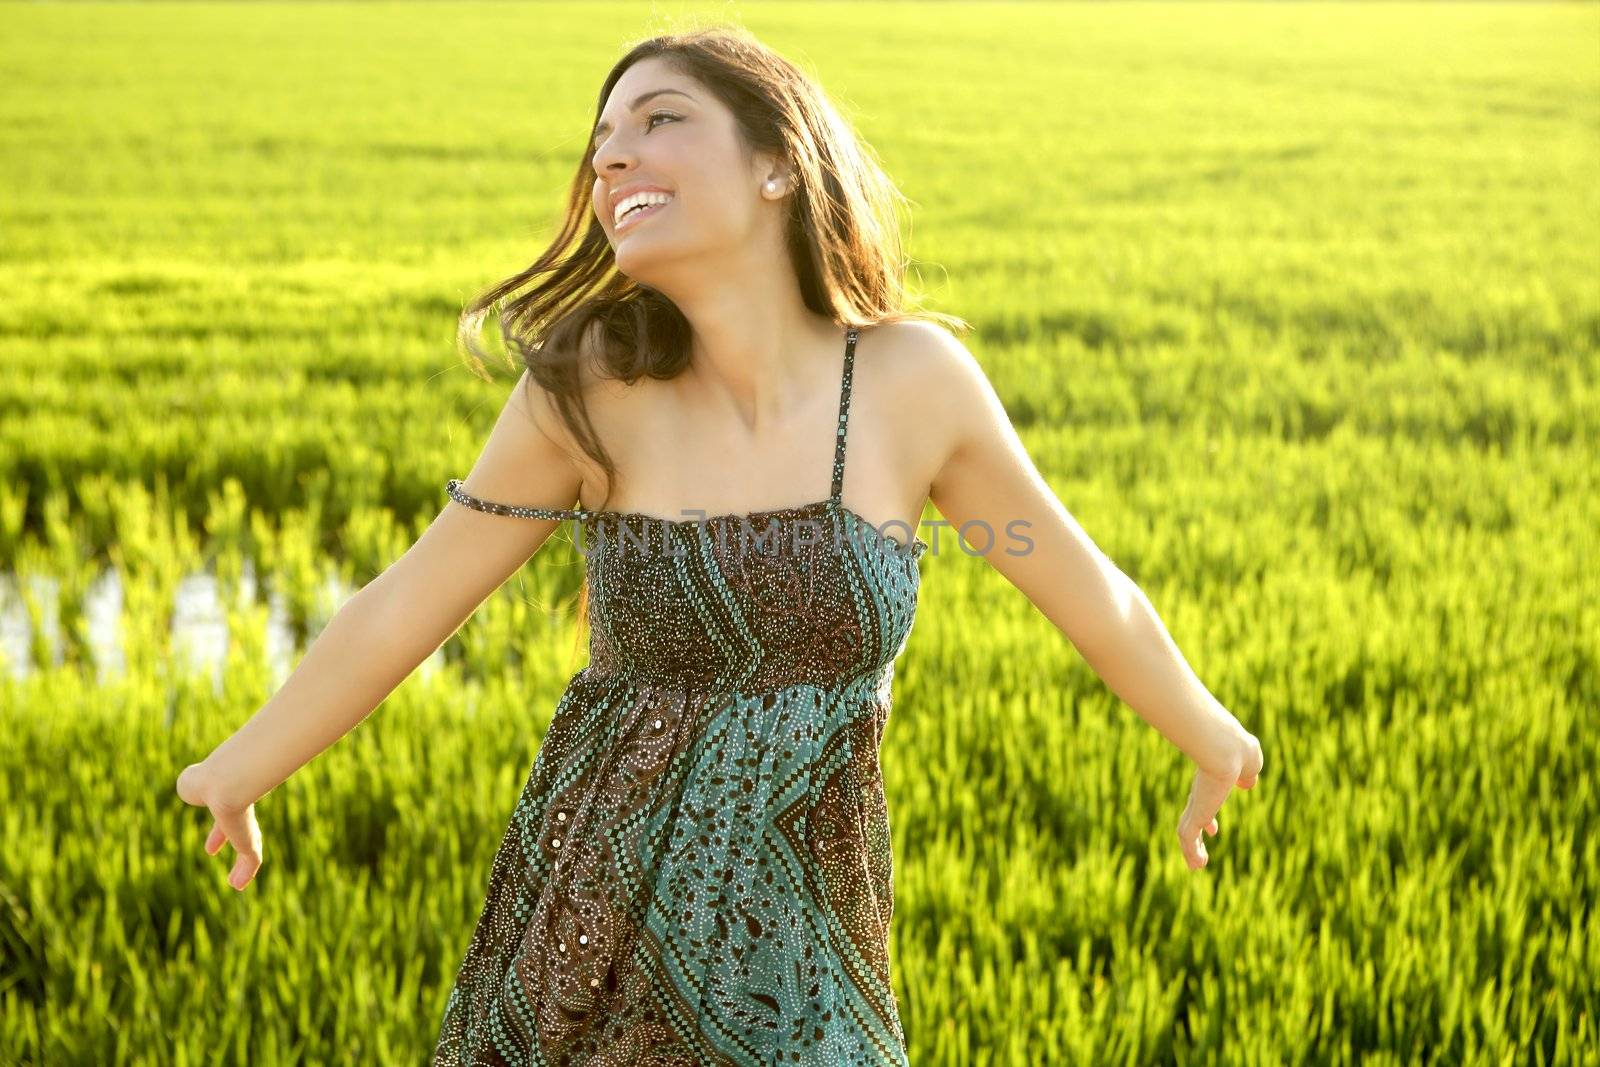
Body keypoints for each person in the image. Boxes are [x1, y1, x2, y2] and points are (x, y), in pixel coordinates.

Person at [175, 24, 1264, 1064]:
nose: (614, 160)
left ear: (776, 165)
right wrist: (241, 767)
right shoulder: (589, 386)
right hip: (594, 930)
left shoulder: (910, 385)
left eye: (657, 121)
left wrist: (1211, 733)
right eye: (601, 145)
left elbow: (1087, 590)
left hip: (808, 949)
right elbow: (412, 598)